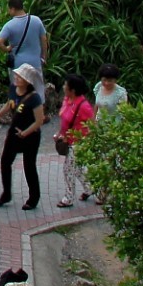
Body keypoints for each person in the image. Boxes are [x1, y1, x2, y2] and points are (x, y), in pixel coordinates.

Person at [0, 63, 46, 210]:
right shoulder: (13, 89)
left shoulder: (34, 98)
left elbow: (39, 120)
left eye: (20, 77)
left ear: (27, 81)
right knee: (5, 162)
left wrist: (25, 132)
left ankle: (33, 198)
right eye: (16, 75)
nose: (16, 78)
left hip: (30, 136)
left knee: (29, 166)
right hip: (14, 133)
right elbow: (9, 105)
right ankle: (6, 193)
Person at [54, 73, 97, 207]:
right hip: (69, 140)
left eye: (66, 85)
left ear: (72, 90)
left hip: (78, 142)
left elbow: (91, 125)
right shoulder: (67, 100)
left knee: (68, 169)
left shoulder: (84, 106)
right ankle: (91, 188)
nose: (63, 86)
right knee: (77, 169)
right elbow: (65, 120)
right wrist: (60, 134)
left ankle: (69, 197)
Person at [0, 0, 48, 72]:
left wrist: (6, 49)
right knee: (36, 84)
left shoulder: (9, 25)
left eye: (9, 9)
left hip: (19, 66)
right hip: (35, 63)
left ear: (13, 9)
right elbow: (44, 39)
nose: (8, 12)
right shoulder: (36, 20)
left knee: (19, 84)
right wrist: (44, 57)